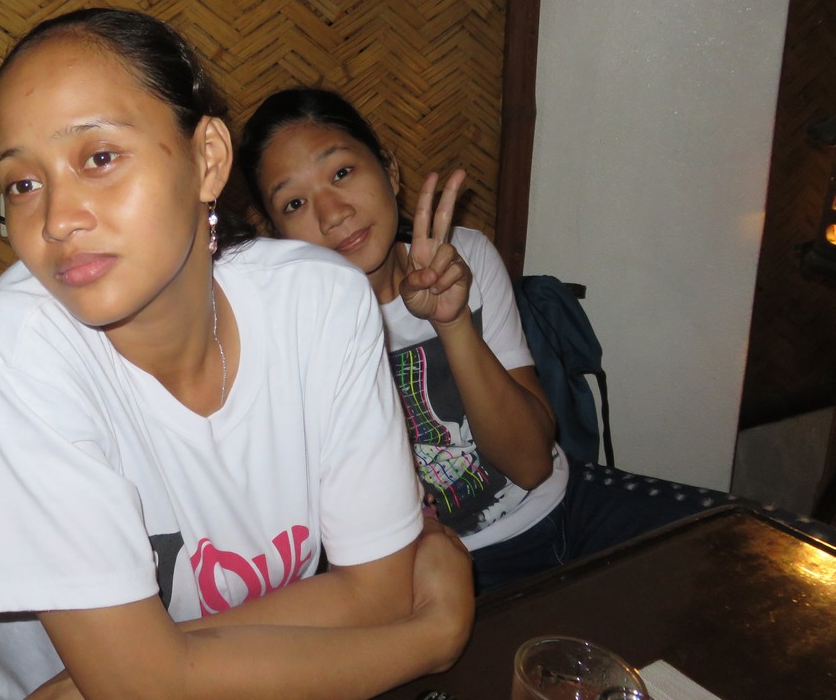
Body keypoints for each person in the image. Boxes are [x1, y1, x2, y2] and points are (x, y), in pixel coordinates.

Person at [0, 11, 474, 700]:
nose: (56, 220)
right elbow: (145, 686)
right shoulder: (10, 351)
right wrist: (431, 639)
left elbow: (375, 592)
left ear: (207, 159)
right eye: (23, 183)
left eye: (99, 158)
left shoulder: (320, 304)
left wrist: (143, 671)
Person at [238, 87, 729, 594]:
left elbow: (532, 465)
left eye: (342, 172)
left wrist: (452, 322)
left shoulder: (463, 256)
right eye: (295, 202)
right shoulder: (290, 337)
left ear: (389, 169)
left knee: (729, 550)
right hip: (451, 571)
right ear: (275, 234)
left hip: (568, 505)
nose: (332, 213)